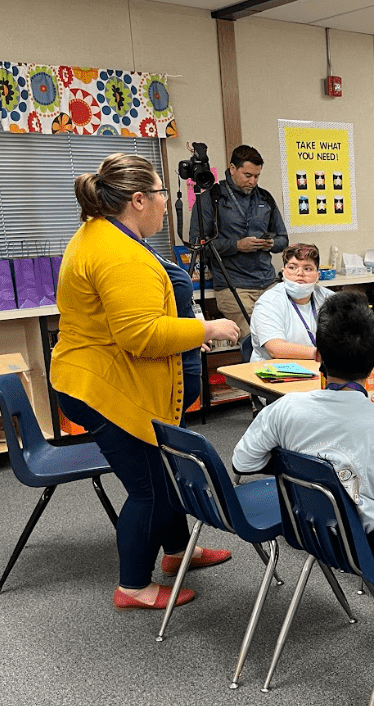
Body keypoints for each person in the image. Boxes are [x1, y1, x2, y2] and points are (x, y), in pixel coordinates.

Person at [51, 154, 240, 611]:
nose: (164, 204)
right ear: (137, 200)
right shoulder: (117, 254)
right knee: (152, 488)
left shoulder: (103, 233)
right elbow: (141, 334)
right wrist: (207, 329)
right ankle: (133, 586)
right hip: (102, 388)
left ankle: (176, 554)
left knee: (166, 470)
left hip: (99, 376)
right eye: (159, 195)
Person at [232, 291, 374, 633]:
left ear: (316, 356)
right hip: (371, 547)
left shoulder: (283, 409)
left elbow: (243, 461)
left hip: (309, 531)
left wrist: (305, 466)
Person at [189, 144, 289, 337]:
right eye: (248, 175)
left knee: (280, 337)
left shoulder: (265, 197)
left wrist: (271, 244)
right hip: (233, 285)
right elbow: (197, 243)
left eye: (257, 176)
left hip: (267, 282)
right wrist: (237, 246)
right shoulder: (211, 198)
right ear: (233, 169)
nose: (253, 181)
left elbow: (283, 239)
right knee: (254, 341)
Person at [249, 243, 334, 362]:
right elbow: (276, 349)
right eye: (292, 267)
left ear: (317, 276)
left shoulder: (329, 299)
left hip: (319, 368)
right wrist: (321, 354)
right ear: (283, 273)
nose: (300, 273)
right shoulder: (268, 303)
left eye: (307, 268)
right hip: (275, 372)